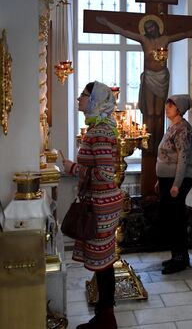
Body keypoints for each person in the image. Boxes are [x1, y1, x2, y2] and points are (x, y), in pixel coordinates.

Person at [96, 15, 192, 154]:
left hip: (162, 77)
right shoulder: (144, 39)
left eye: (152, 27)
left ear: (157, 27)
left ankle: (158, 141)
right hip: (150, 76)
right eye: (147, 28)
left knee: (159, 113)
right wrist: (107, 22)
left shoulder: (165, 39)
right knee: (150, 112)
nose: (150, 30)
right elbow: (124, 32)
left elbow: (184, 34)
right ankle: (148, 142)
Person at [62, 81, 122, 329]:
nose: (78, 99)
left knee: (104, 264)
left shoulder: (99, 132)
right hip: (101, 205)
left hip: (101, 207)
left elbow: (107, 174)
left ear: (95, 99)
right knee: (103, 264)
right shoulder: (100, 127)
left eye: (84, 95)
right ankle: (104, 316)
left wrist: (73, 168)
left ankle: (106, 319)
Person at [155, 94, 192, 275]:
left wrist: (176, 184)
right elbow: (165, 156)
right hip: (167, 180)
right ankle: (178, 256)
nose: (167, 108)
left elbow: (183, 159)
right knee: (172, 218)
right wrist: (160, 180)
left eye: (170, 106)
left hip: (177, 180)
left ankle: (179, 259)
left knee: (176, 219)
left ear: (179, 109)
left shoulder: (183, 129)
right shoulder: (173, 127)